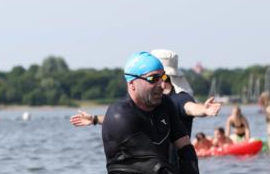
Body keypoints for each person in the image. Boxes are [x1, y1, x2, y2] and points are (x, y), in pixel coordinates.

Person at [70, 49, 220, 130]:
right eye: (152, 78)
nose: (158, 83)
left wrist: (204, 110)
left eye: (161, 77)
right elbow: (127, 117)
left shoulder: (179, 98)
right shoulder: (147, 100)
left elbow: (190, 108)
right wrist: (95, 120)